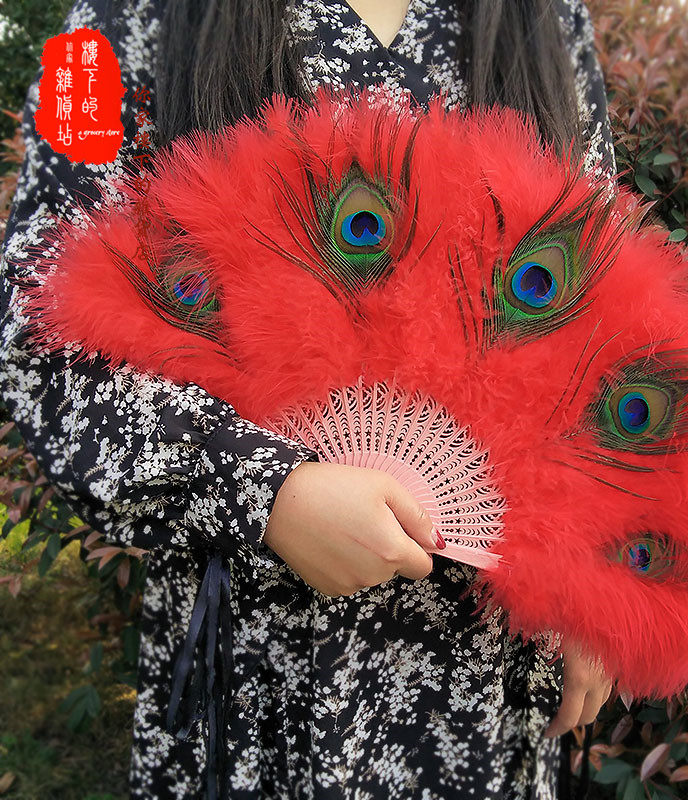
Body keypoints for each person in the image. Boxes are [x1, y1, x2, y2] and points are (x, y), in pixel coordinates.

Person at [0, 0, 617, 797]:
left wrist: (598, 577)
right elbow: (39, 326)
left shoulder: (547, 21)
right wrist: (263, 488)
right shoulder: (114, 22)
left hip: (487, 676)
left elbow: (604, 320)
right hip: (257, 671)